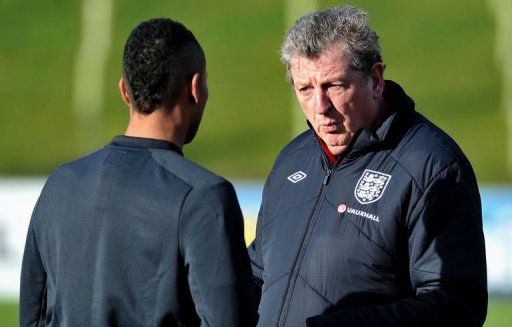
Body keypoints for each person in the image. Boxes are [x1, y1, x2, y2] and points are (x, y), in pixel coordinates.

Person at [248, 5, 487, 326]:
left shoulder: (433, 165)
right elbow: (259, 274)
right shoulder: (291, 159)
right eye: (305, 89)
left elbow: (456, 305)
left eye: (334, 85)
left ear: (375, 80)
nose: (320, 107)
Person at [20, 18, 256, 326]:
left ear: (124, 91)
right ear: (196, 88)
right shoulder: (204, 197)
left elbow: (33, 316)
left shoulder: (60, 184)